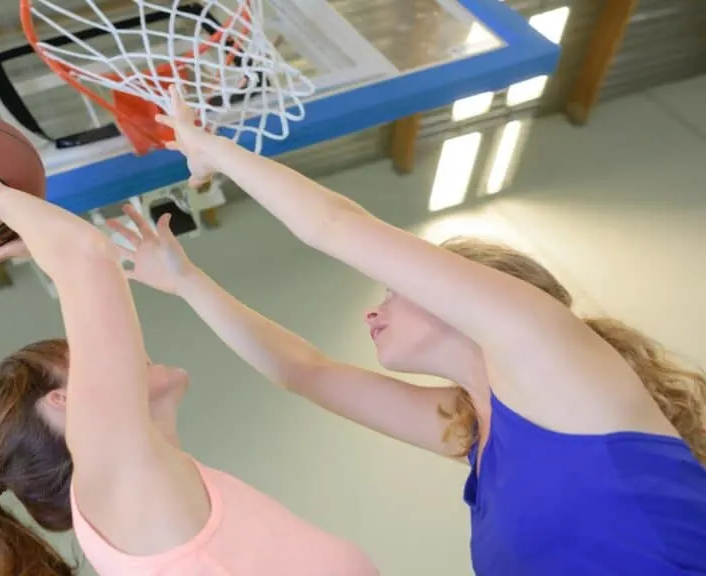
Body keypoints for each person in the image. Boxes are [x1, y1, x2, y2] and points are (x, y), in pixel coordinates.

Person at [96, 86, 705, 576]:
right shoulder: (474, 430)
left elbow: (336, 226)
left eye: (392, 290)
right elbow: (305, 371)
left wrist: (211, 149)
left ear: (462, 291)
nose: (372, 311)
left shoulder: (550, 353)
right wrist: (187, 281)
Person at [0, 157, 379, 576]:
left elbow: (301, 370)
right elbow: (88, 258)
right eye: (82, 354)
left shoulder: (150, 493)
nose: (115, 352)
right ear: (66, 402)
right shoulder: (111, 483)